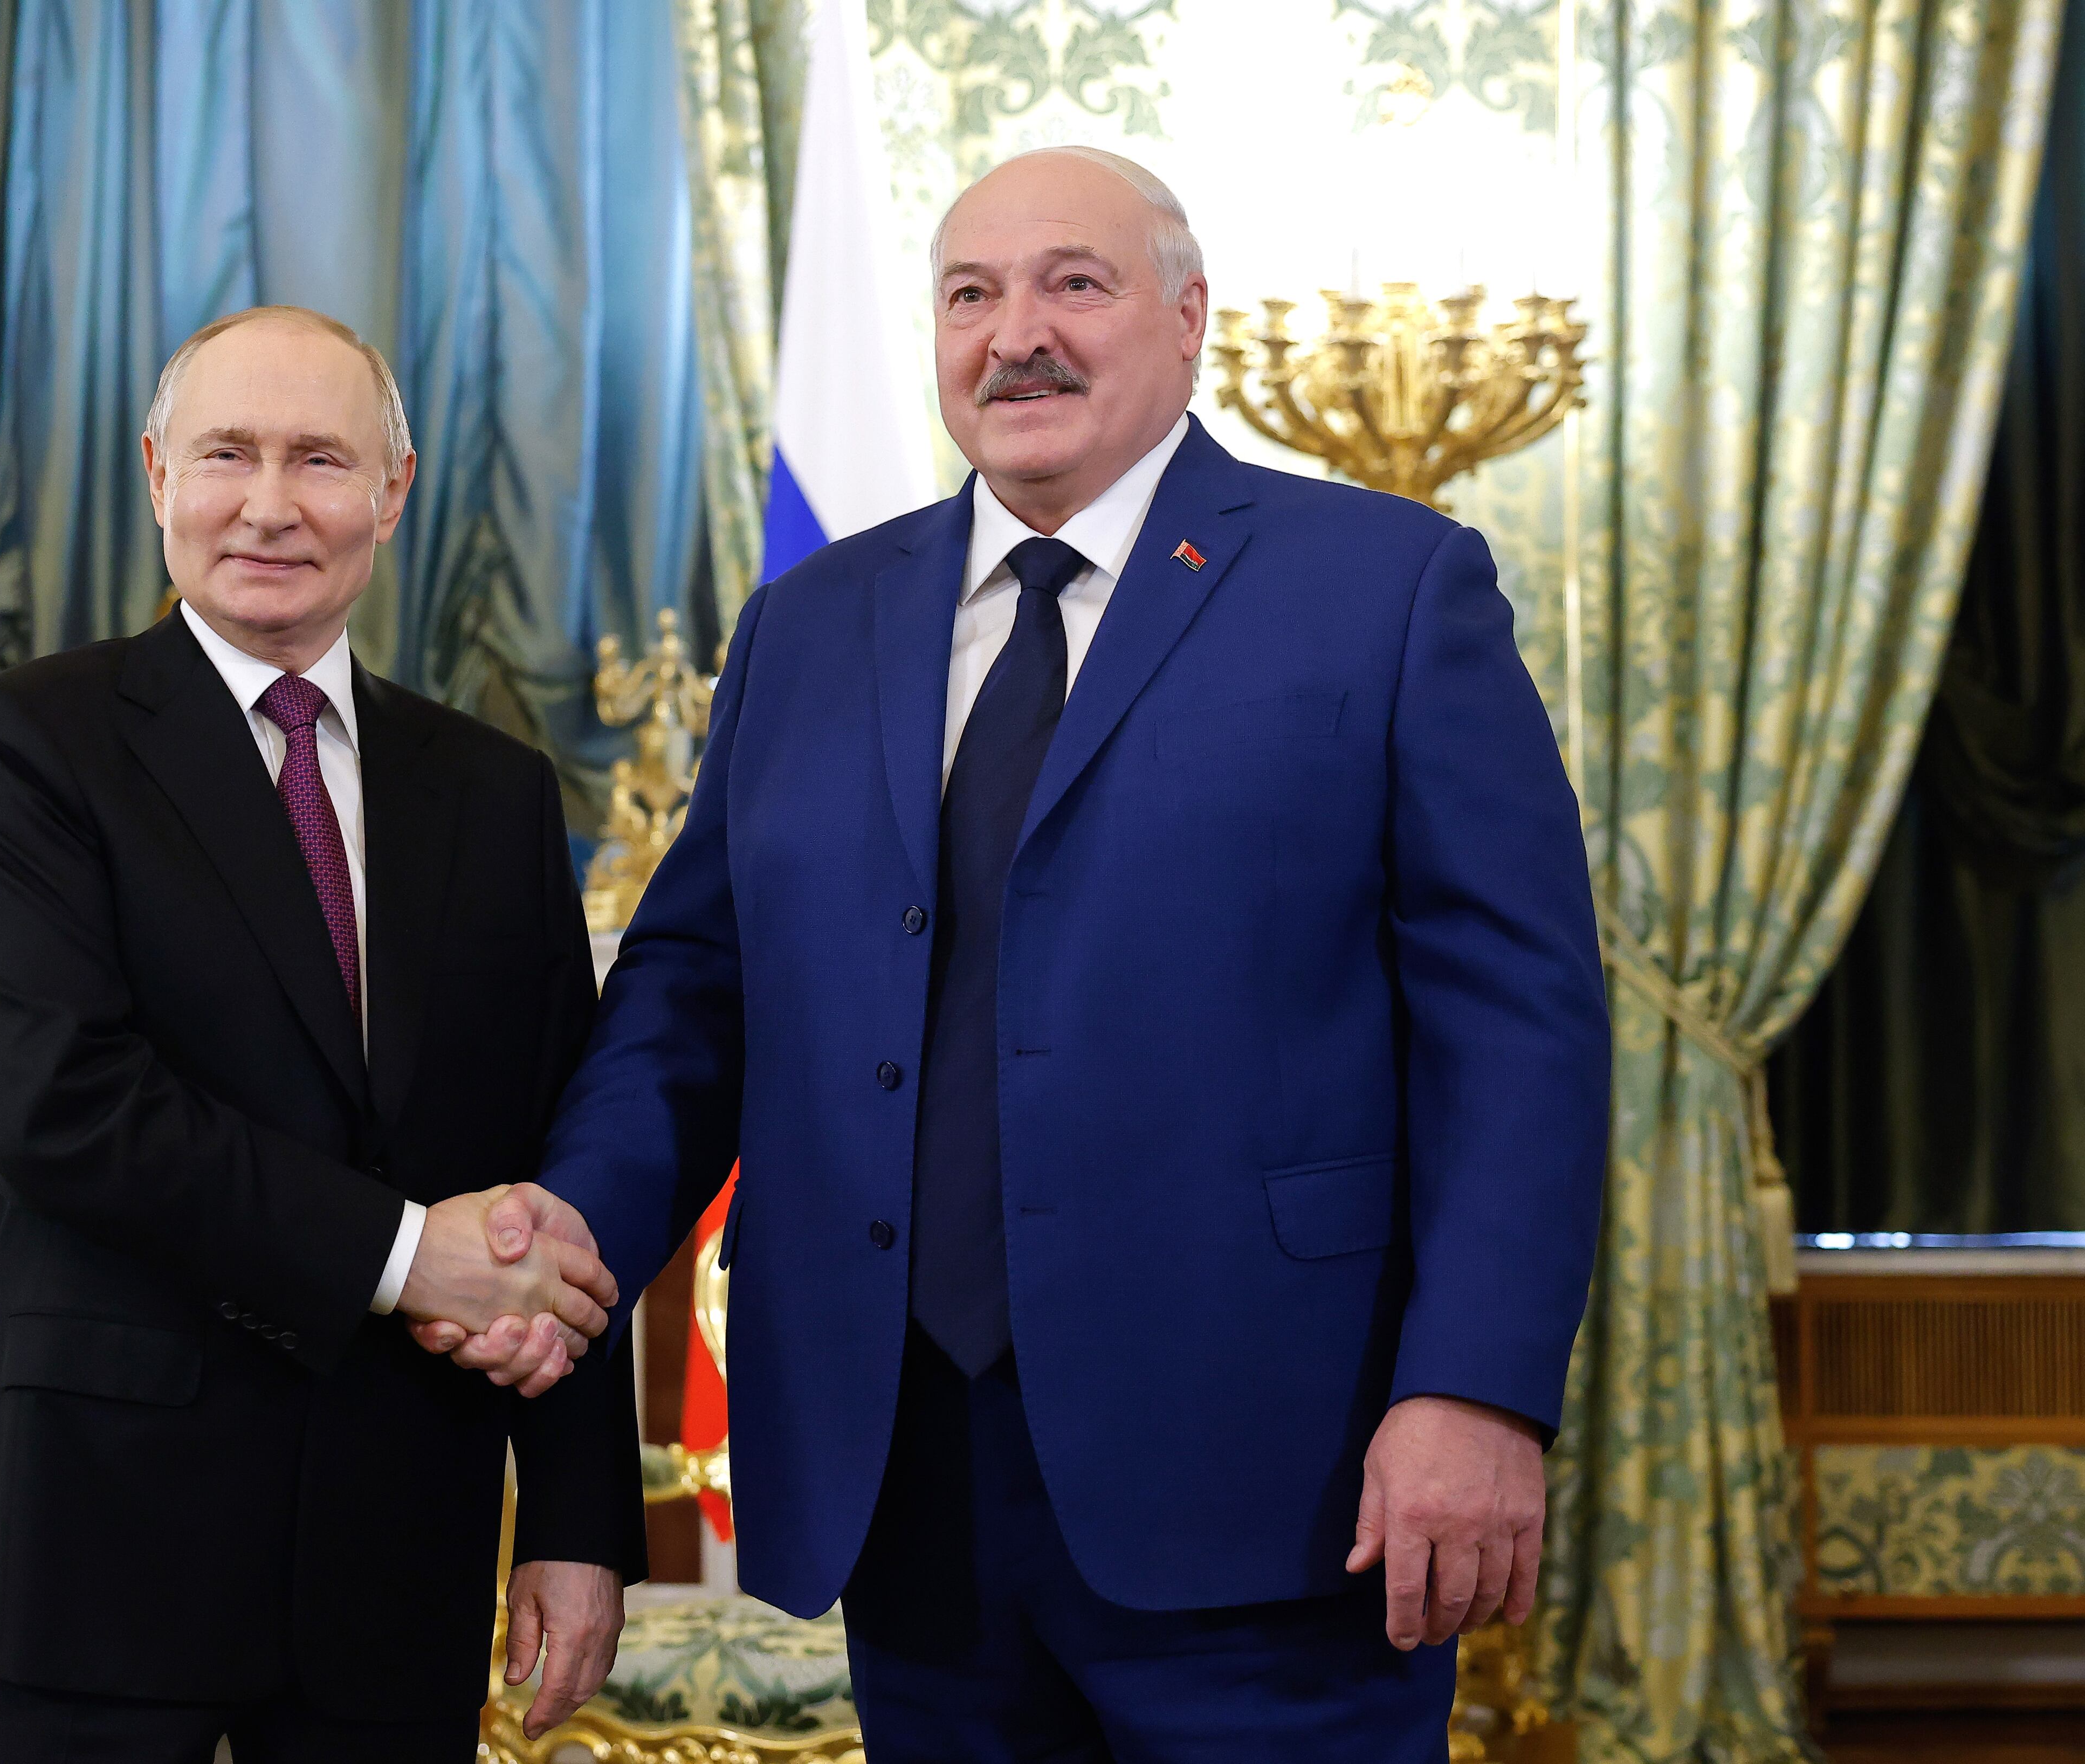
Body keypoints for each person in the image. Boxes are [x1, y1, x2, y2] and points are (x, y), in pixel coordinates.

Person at [428, 147, 1610, 1760]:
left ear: (1191, 320)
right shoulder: (814, 622)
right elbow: (697, 996)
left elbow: (1519, 1031)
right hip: (903, 1475)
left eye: (1076, 283)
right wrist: (569, 1235)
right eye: (970, 294)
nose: (1015, 334)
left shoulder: (1386, 591)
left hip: (1273, 1474)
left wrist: (1474, 1389)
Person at [0, 305, 641, 1762]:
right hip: (103, 1554)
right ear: (155, 475)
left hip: (399, 1556)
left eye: (319, 460)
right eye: (225, 456)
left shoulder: (494, 792)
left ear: (394, 490)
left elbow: (553, 1161)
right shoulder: (26, 743)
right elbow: (66, 1108)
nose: (268, 505)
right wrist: (398, 1255)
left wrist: (575, 1521)